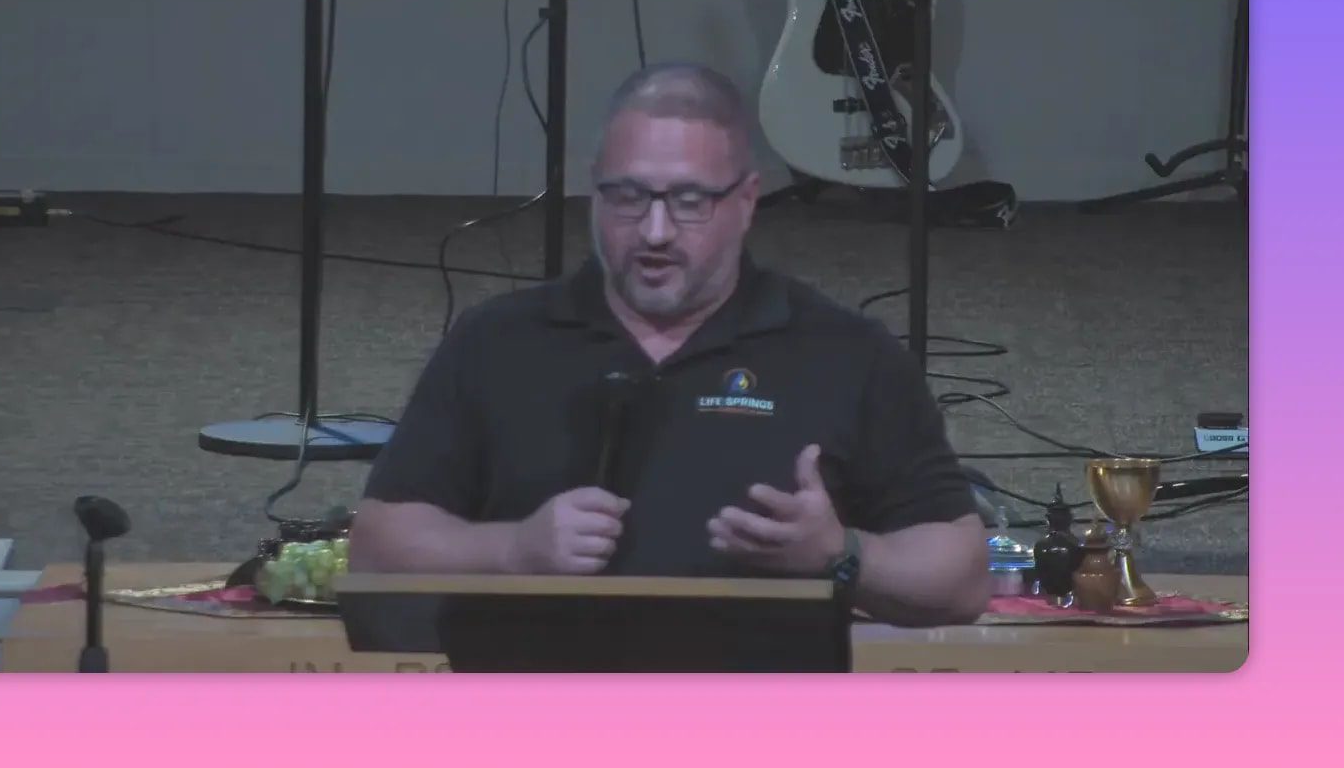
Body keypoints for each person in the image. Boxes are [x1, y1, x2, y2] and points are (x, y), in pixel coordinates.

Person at [350, 62, 990, 627]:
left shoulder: (847, 354)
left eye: (688, 201)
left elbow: (960, 576)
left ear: (746, 201)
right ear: (594, 192)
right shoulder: (498, 342)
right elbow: (378, 545)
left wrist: (843, 554)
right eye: (628, 197)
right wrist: (511, 550)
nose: (655, 231)